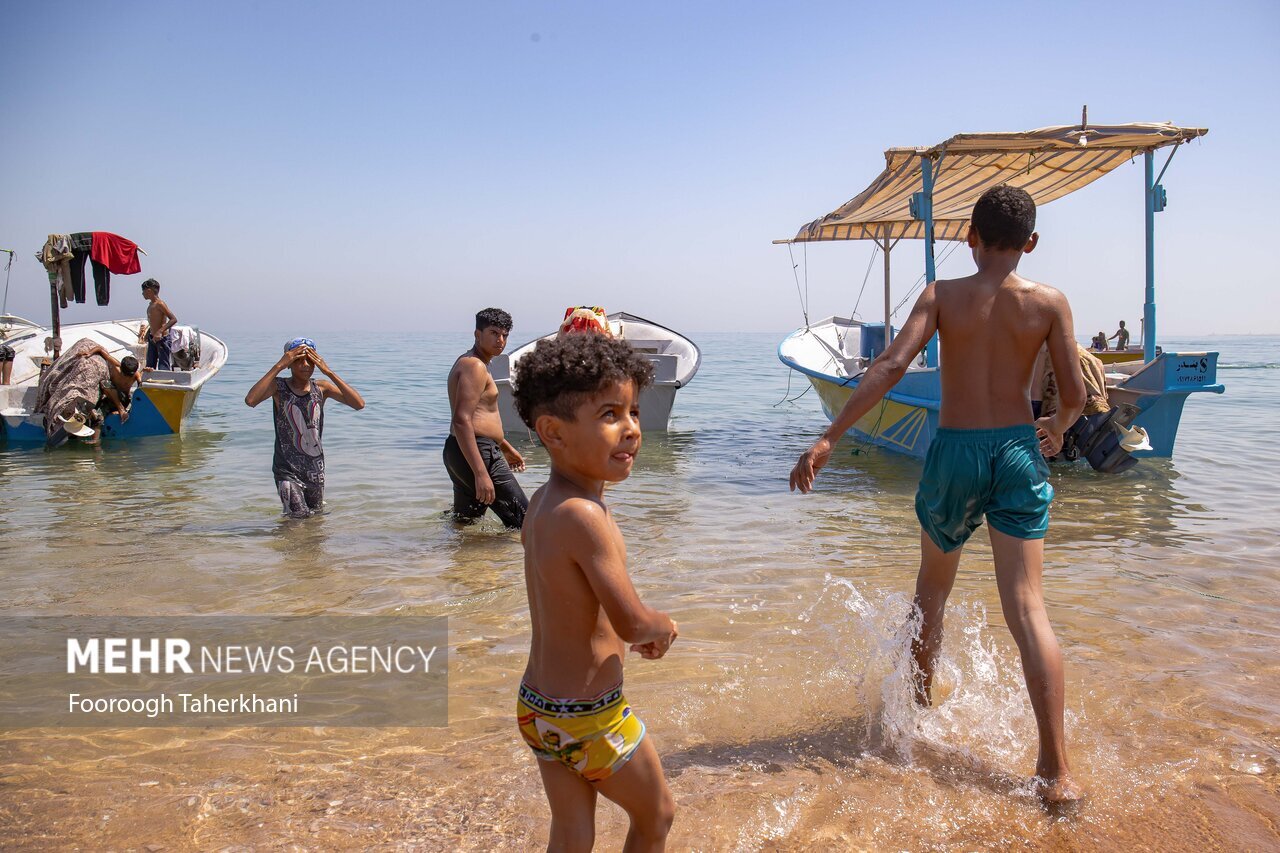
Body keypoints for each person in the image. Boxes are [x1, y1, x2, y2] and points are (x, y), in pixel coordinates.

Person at [789, 184, 1087, 805]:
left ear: (969, 238)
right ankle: (1057, 773)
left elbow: (893, 365)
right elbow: (1076, 394)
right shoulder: (1050, 302)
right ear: (1030, 243)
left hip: (954, 452)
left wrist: (828, 438)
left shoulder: (942, 295)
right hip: (1015, 451)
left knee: (932, 591)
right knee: (1028, 608)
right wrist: (1055, 430)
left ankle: (917, 720)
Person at [512, 333, 678, 851]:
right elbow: (630, 622)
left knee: (572, 834)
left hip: (539, 708)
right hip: (590, 716)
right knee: (656, 816)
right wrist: (664, 626)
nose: (630, 429)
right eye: (610, 414)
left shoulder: (542, 502)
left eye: (632, 411)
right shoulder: (587, 515)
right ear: (553, 433)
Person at [244, 338, 364, 518]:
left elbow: (358, 404)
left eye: (310, 360)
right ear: (289, 364)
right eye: (298, 360)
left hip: (315, 470)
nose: (305, 365)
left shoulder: (321, 388)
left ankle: (309, 547)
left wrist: (328, 371)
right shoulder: (278, 387)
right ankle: (289, 546)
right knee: (297, 517)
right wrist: (278, 366)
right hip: (286, 470)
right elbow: (251, 400)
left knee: (315, 518)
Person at [444, 308, 528, 528]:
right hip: (478, 452)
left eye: (505, 335)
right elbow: (462, 420)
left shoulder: (470, 362)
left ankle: (463, 562)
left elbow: (481, 414)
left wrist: (505, 446)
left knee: (464, 523)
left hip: (459, 450)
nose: (500, 340)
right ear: (477, 334)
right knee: (525, 522)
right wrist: (481, 473)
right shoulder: (475, 366)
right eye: (494, 333)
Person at [141, 279, 179, 370]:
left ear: (149, 291)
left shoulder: (160, 304)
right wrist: (148, 333)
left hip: (162, 339)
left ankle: (164, 381)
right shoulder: (151, 304)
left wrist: (159, 332)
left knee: (163, 365)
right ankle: (151, 382)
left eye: (144, 291)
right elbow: (154, 321)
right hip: (153, 338)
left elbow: (173, 319)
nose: (142, 294)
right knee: (150, 365)